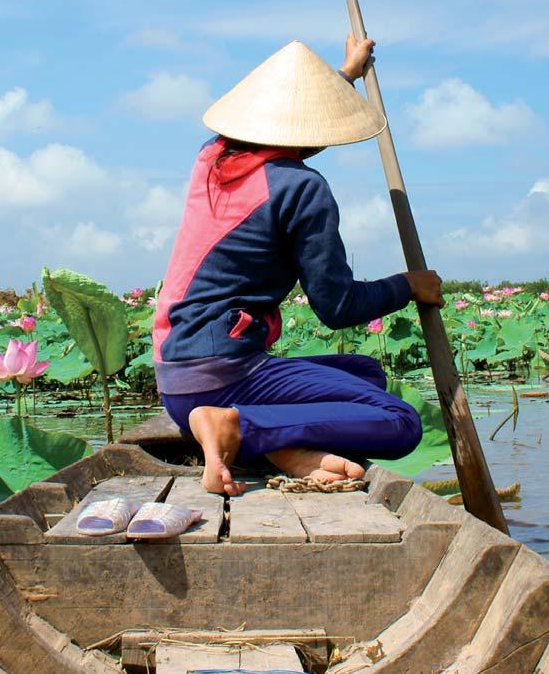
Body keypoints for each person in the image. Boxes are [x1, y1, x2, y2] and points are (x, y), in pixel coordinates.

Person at [152, 34, 444, 496]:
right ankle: (240, 427)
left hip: (175, 379)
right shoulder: (302, 189)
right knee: (400, 420)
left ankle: (276, 444)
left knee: (365, 374)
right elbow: (337, 305)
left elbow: (290, 122)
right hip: (224, 378)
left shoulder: (212, 157)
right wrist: (408, 285)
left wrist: (345, 74)